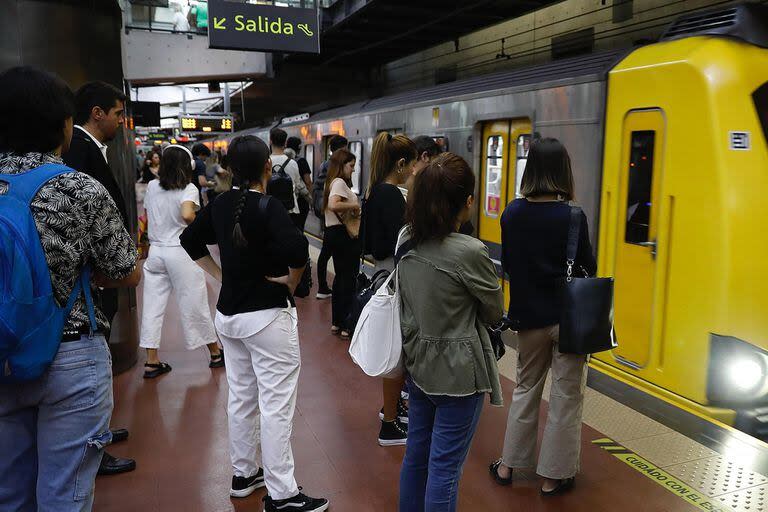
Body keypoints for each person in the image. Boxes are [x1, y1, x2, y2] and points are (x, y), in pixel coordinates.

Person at [0, 66, 141, 512]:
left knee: (8, 493)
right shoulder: (77, 187)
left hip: (2, 351)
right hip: (69, 354)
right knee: (66, 495)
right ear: (63, 125)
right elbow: (124, 269)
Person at [180, 135, 329, 512]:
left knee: (242, 397)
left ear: (228, 168)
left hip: (229, 317)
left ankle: (244, 475)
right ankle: (282, 495)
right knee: (276, 405)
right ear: (267, 167)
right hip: (266, 318)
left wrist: (220, 276)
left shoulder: (218, 204)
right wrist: (294, 280)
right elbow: (298, 250)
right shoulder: (269, 206)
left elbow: (189, 240)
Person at [490, 138, 596, 496]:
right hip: (568, 320)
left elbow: (509, 266)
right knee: (566, 396)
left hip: (528, 320)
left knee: (525, 389)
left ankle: (508, 466)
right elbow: (588, 268)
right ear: (563, 171)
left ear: (529, 169)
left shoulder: (511, 214)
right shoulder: (574, 217)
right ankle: (553, 476)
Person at [398, 152, 504, 512]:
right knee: (445, 467)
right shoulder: (470, 251)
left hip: (418, 364)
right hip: (460, 373)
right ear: (468, 202)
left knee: (416, 455)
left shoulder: (406, 241)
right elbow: (494, 310)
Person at [63, 80, 137, 477]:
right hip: (91, 282)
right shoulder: (78, 150)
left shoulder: (87, 148)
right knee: (91, 372)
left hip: (98, 278)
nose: (121, 121)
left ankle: (100, 434)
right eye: (117, 113)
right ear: (97, 113)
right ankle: (93, 449)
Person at [139, 145, 222, 378]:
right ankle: (215, 353)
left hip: (156, 252)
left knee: (152, 307)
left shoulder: (153, 186)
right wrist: (197, 227)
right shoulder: (189, 188)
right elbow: (187, 214)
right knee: (194, 302)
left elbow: (147, 215)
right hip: (179, 251)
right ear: (187, 166)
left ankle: (152, 361)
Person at [363, 132, 418, 447]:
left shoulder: (376, 192)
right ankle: (390, 423)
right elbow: (399, 243)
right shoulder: (391, 195)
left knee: (396, 348)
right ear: (400, 163)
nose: (413, 171)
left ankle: (392, 407)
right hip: (395, 279)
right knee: (397, 352)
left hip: (384, 273)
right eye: (411, 165)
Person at [322, 149, 360, 339]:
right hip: (342, 235)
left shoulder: (332, 182)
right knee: (348, 279)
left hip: (334, 234)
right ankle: (346, 324)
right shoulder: (338, 182)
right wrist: (354, 205)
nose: (353, 170)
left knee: (340, 279)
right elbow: (334, 205)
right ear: (341, 165)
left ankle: (337, 322)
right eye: (351, 166)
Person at [312, 135, 348, 299]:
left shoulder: (327, 164)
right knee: (329, 251)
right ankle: (325, 287)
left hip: (328, 212)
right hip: (331, 214)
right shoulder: (333, 165)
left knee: (327, 250)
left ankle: (325, 287)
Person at [269, 128, 311, 228]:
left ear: (270, 141)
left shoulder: (266, 162)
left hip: (271, 209)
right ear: (285, 143)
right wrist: (310, 199)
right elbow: (299, 185)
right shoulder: (292, 163)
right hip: (291, 209)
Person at [286, 136, 313, 231]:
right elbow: (308, 182)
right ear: (299, 148)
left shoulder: (283, 161)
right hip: (300, 200)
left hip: (286, 199)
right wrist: (311, 199)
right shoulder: (301, 161)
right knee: (299, 228)